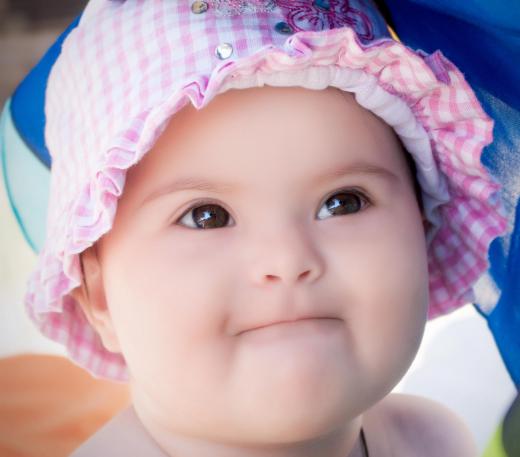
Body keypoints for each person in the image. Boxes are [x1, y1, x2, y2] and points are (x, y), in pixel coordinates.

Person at [23, 0, 507, 455]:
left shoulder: (433, 440)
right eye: (206, 215)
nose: (287, 259)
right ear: (99, 293)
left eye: (343, 202)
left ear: (423, 233)